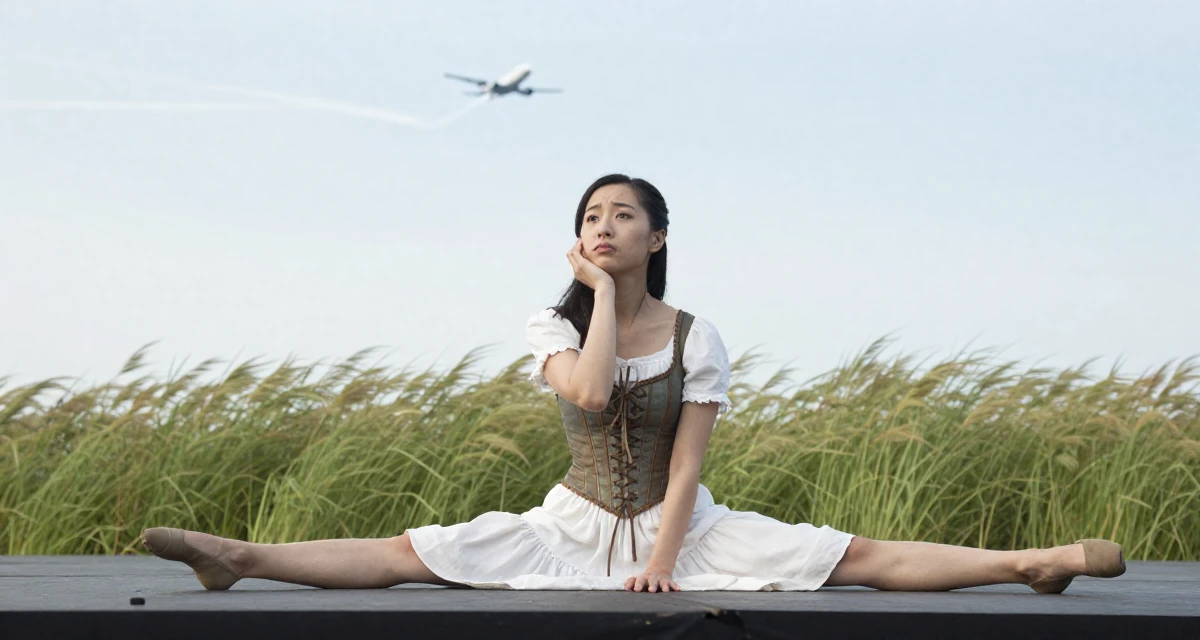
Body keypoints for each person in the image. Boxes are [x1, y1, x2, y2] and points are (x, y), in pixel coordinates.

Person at [141, 173, 1126, 594]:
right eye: (590, 216)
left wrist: (663, 557)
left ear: (659, 236)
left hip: (678, 522)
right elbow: (585, 392)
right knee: (416, 551)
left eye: (623, 217)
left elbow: (690, 460)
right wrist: (596, 294)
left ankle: (1031, 559)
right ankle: (238, 554)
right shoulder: (553, 322)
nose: (604, 226)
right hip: (567, 520)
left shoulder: (700, 335)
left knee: (853, 555)